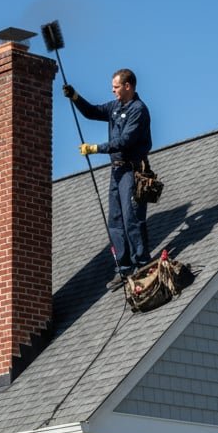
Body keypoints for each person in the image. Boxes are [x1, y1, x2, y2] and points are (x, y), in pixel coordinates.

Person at [63, 69, 152, 290]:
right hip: (117, 172)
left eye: (116, 86)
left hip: (132, 171)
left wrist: (95, 148)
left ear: (128, 86)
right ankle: (123, 268)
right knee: (115, 220)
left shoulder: (138, 110)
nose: (112, 90)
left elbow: (125, 141)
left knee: (132, 219)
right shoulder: (115, 108)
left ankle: (142, 264)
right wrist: (75, 97)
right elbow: (92, 112)